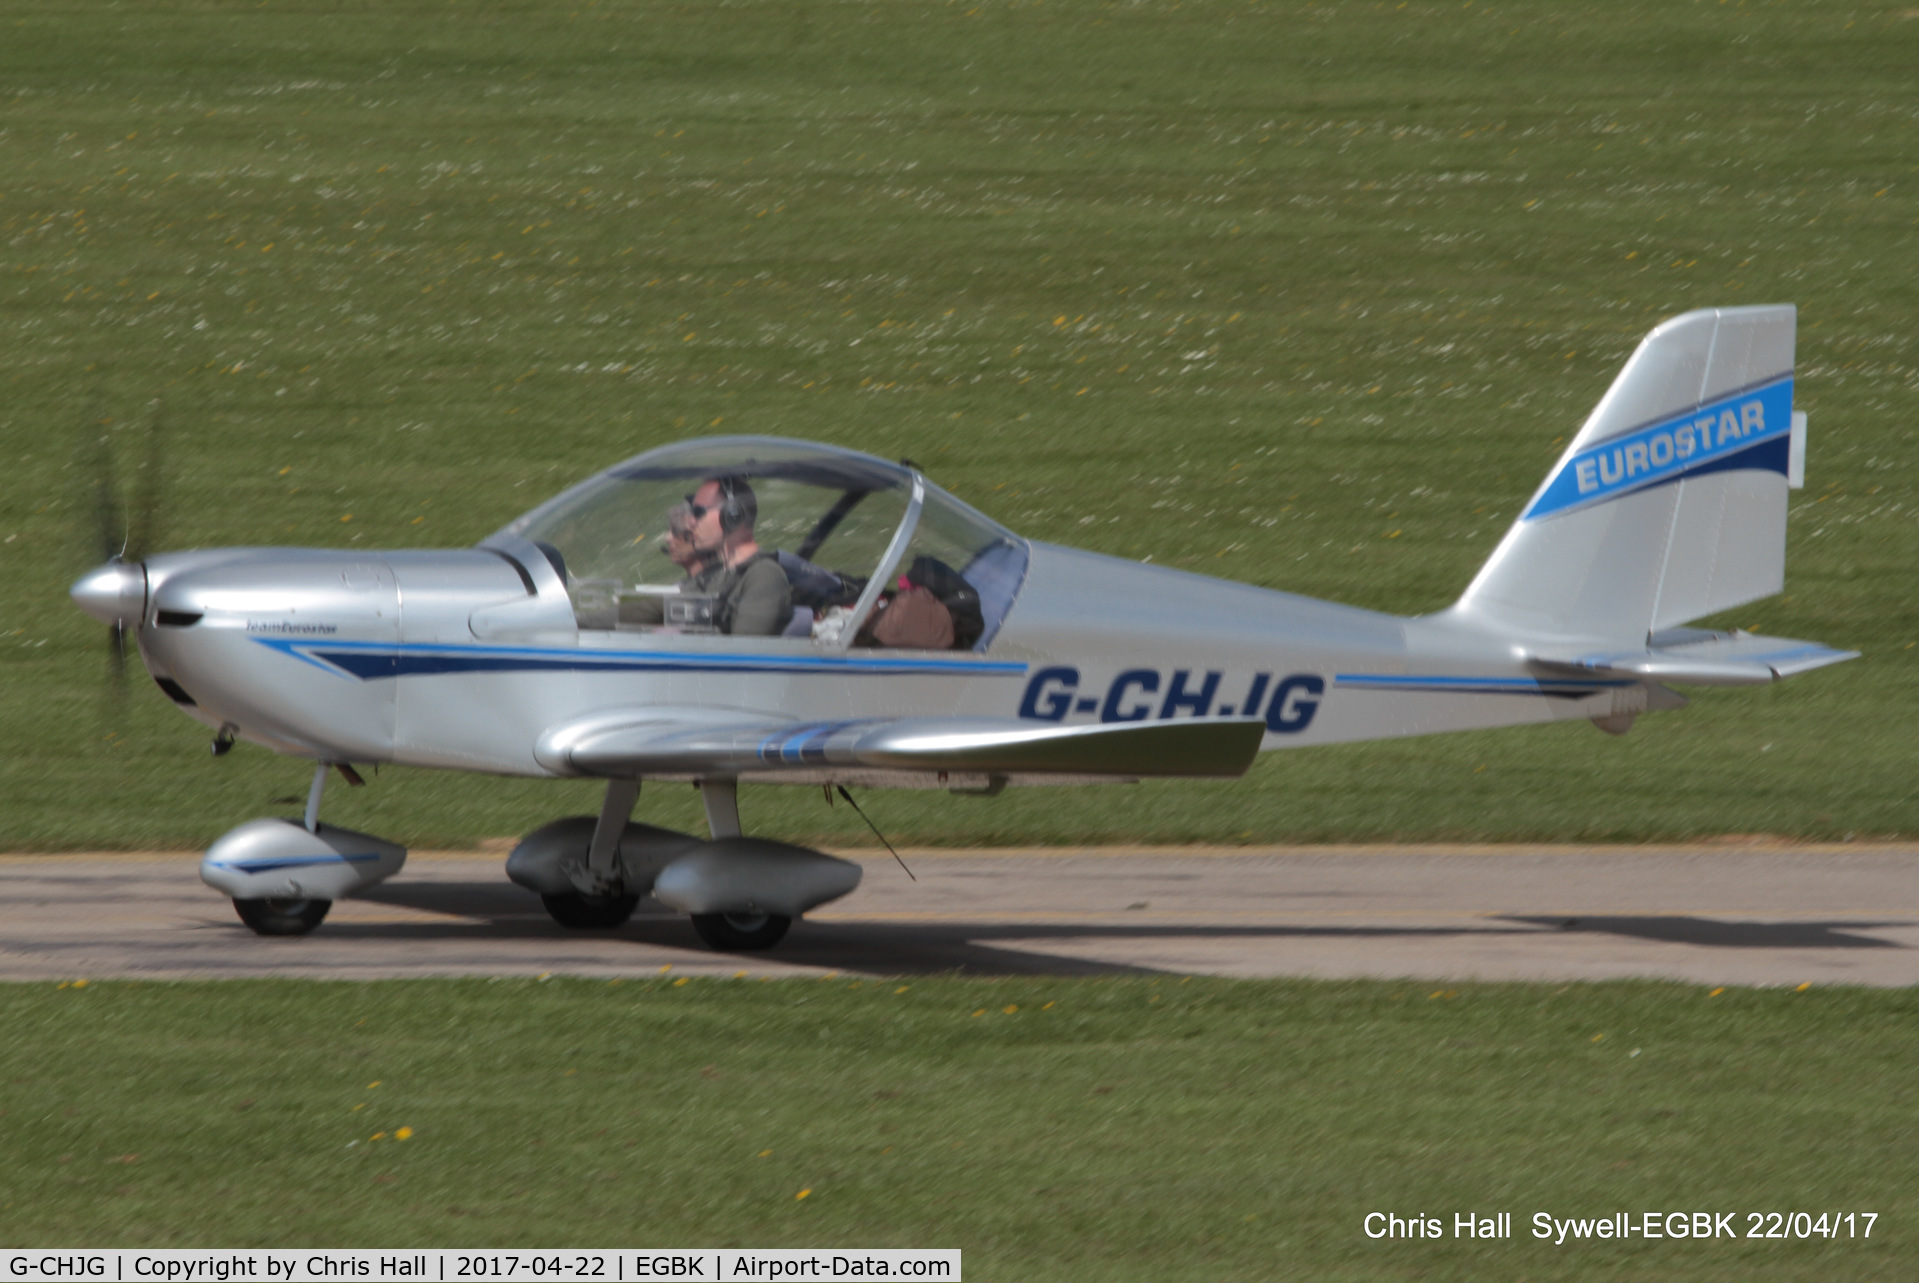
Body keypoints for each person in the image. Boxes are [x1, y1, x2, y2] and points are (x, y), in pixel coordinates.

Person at [683, 476, 793, 636]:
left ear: (732, 515)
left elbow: (743, 652)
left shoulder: (764, 575)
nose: (691, 523)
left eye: (698, 512)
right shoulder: (716, 575)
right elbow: (657, 606)